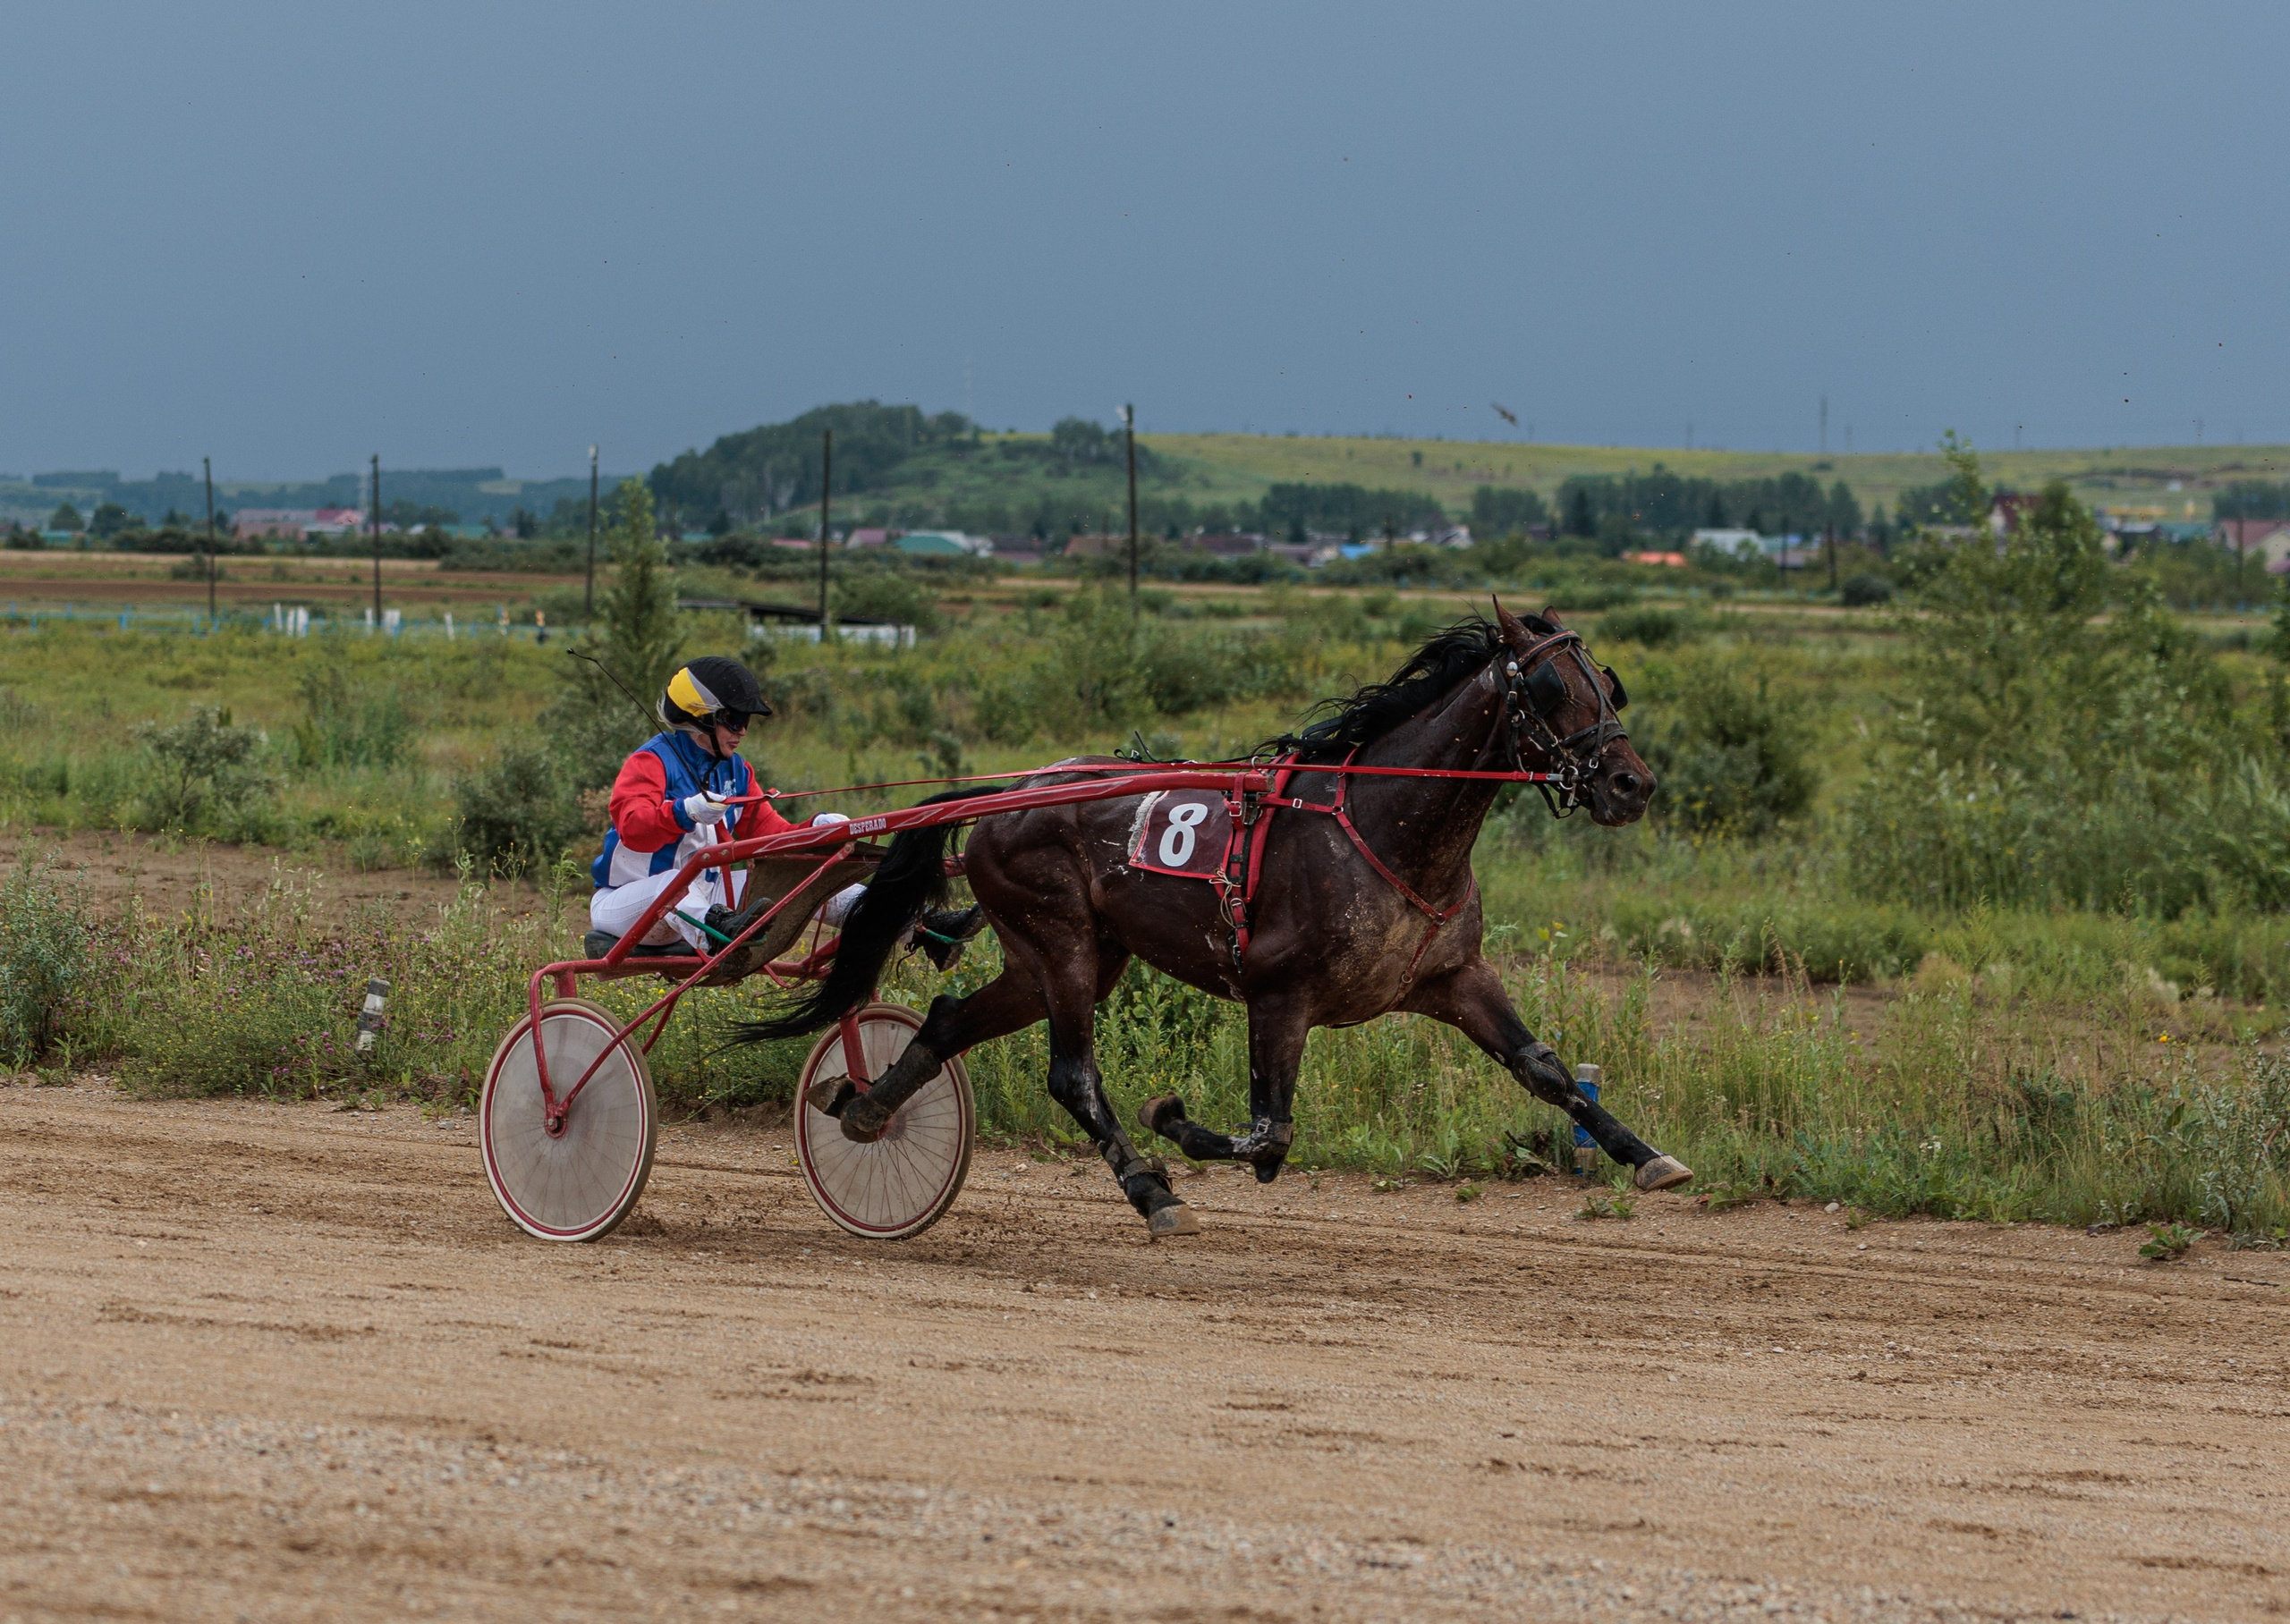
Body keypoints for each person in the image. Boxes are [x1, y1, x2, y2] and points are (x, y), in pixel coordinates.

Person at [585, 655, 979, 967]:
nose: (742, 731)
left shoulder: (737, 770)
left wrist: (819, 829)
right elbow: (633, 828)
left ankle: (920, 927)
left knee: (805, 882)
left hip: (705, 900)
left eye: (747, 723)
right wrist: (684, 812)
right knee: (672, 883)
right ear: (700, 716)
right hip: (630, 906)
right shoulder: (651, 762)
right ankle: (723, 934)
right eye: (734, 720)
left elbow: (770, 838)